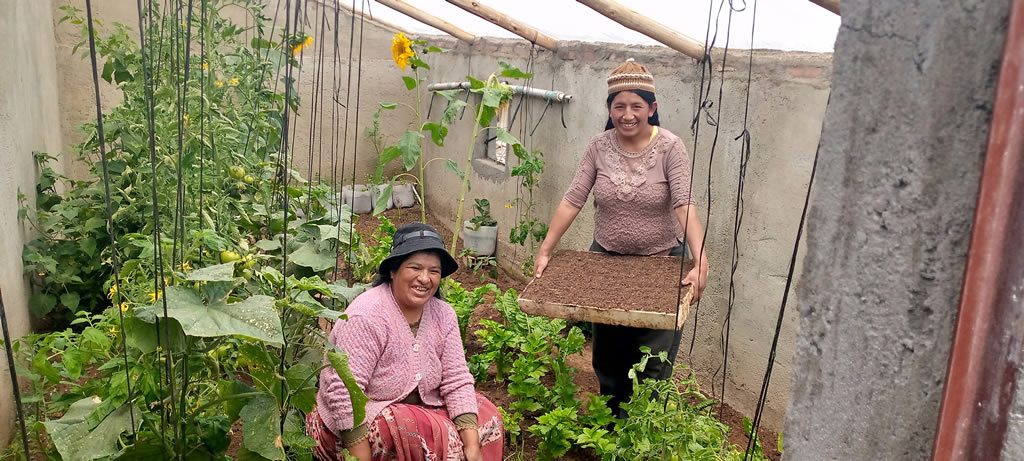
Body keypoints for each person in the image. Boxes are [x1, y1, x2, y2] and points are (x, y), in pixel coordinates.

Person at [533, 58, 710, 417]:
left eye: (636, 106)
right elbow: (573, 199)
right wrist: (545, 249)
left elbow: (684, 203)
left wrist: (700, 259)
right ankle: (612, 426)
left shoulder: (670, 148)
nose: (627, 114)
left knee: (653, 360)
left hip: (662, 263)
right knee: (610, 356)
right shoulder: (598, 146)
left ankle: (642, 431)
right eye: (619, 106)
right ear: (609, 109)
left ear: (652, 109)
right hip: (607, 259)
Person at [307, 223, 503, 461]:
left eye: (434, 271)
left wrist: (472, 447)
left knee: (486, 415)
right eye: (415, 267)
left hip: (420, 407)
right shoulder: (368, 315)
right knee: (421, 431)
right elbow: (345, 393)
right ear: (393, 270)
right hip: (352, 425)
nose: (425, 278)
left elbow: (456, 378)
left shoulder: (444, 314)